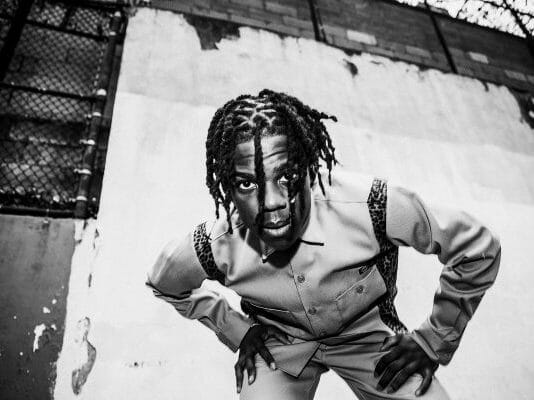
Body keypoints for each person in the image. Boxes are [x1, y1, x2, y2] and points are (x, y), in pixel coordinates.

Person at [146, 89, 501, 400]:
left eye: (287, 176)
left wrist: (433, 339)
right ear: (227, 189)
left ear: (310, 167)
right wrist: (238, 331)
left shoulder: (371, 206)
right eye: (247, 184)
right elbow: (165, 284)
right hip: (280, 346)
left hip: (369, 340)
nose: (272, 202)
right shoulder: (215, 246)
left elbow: (477, 248)